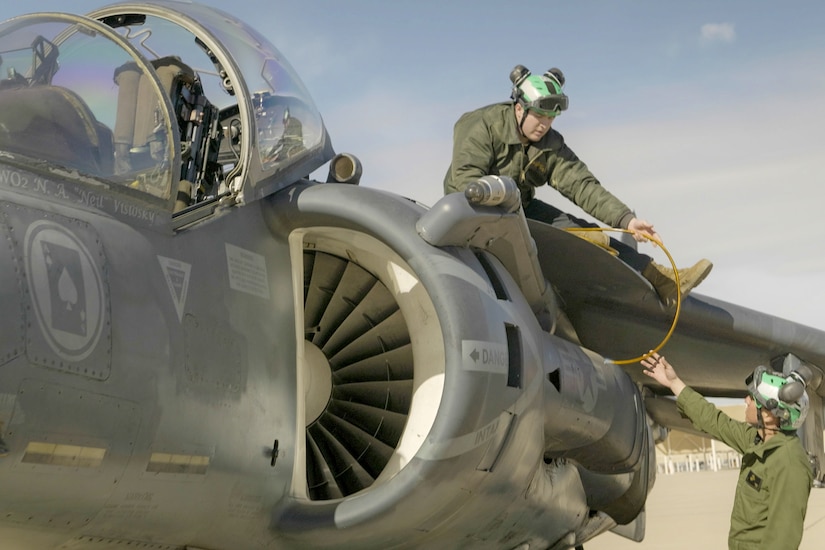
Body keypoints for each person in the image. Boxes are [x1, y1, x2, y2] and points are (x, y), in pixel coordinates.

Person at [443, 64, 713, 305]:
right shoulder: (481, 126)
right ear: (519, 108)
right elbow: (466, 183)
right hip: (477, 212)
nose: (545, 125)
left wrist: (627, 221)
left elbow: (582, 185)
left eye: (551, 118)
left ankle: (664, 281)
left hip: (520, 207)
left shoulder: (550, 144)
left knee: (592, 236)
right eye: (539, 115)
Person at [641, 352, 813, 550]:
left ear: (769, 415)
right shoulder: (758, 441)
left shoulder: (789, 464)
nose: (746, 401)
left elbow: (782, 542)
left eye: (753, 399)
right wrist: (674, 383)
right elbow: (714, 421)